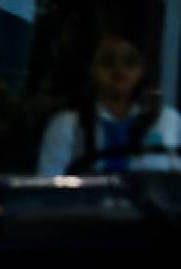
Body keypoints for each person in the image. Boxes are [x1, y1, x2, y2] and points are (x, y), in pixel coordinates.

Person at [38, 33, 181, 176]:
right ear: (92, 69)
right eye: (108, 61)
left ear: (141, 70)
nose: (119, 69)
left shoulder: (168, 121)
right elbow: (49, 190)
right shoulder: (66, 126)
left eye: (129, 61)